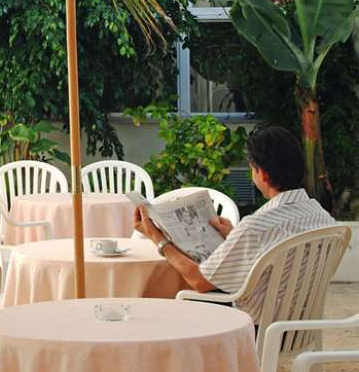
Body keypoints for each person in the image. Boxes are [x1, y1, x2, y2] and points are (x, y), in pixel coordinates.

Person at [133, 126, 335, 321]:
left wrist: (158, 239)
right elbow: (275, 249)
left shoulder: (256, 227)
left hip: (254, 329)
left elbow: (200, 282)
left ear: (262, 174)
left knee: (165, 310)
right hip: (299, 326)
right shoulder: (322, 217)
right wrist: (233, 234)